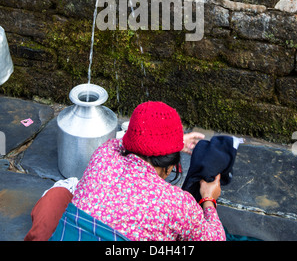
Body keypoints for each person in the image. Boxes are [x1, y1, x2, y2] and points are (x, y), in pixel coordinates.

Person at [47, 101, 226, 241]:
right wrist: (209, 199)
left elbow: (125, 141)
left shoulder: (104, 154)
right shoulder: (178, 205)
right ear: (170, 166)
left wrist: (171, 141)